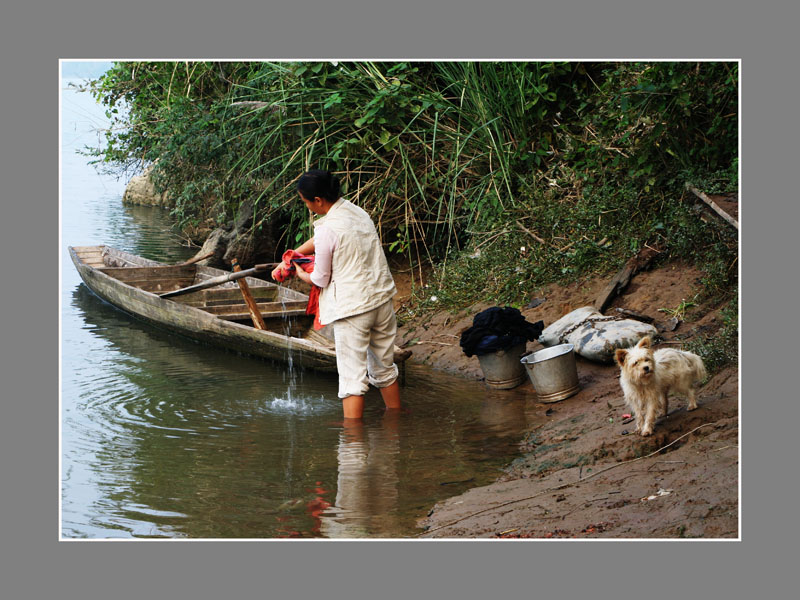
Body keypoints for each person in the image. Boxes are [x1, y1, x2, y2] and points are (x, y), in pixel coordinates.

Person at [272, 169, 402, 419]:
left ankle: (352, 441)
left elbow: (320, 277)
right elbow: (321, 240)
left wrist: (299, 274)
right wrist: (292, 254)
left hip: (353, 309)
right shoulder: (356, 212)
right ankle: (396, 422)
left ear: (318, 200)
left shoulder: (328, 228)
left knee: (352, 378)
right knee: (384, 367)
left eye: (306, 201)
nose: (307, 206)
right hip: (381, 300)